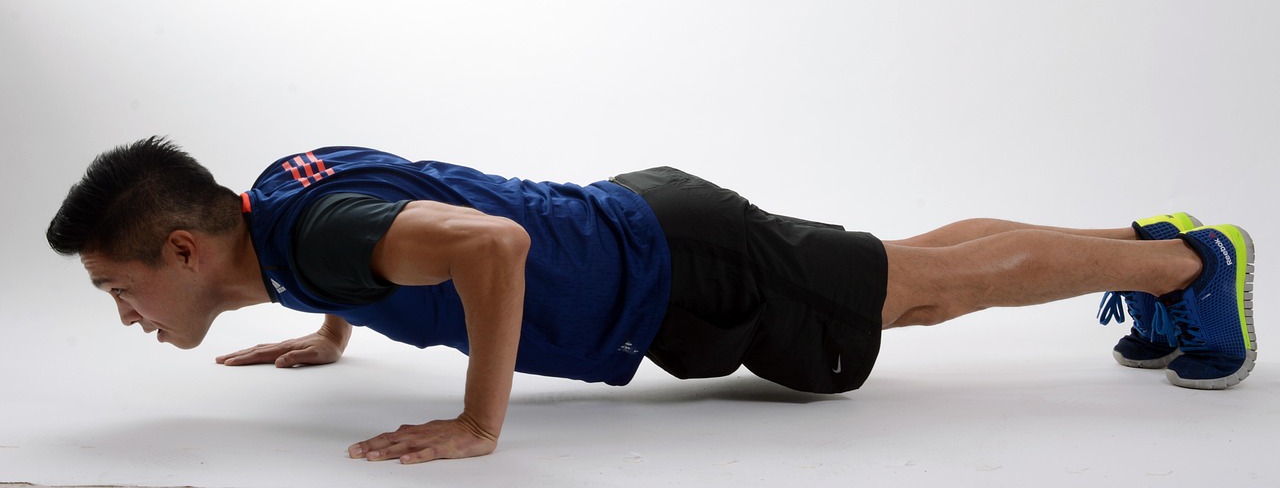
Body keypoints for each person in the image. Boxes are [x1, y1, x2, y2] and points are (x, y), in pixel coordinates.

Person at [45, 137, 1257, 464]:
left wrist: (478, 420)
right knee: (900, 265)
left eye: (120, 286)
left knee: (921, 293)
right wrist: (327, 329)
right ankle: (1146, 246)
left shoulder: (313, 233)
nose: (125, 312)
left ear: (186, 248)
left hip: (675, 267)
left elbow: (490, 244)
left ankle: (1189, 270)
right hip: (654, 226)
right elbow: (379, 222)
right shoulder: (280, 203)